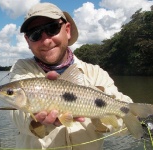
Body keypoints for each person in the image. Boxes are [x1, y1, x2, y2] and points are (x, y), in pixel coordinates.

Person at [8, 2, 133, 150]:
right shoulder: (21, 69)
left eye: (52, 28)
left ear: (67, 30)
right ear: (28, 41)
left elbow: (125, 123)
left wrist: (99, 117)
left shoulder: (95, 73)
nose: (46, 41)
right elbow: (17, 115)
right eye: (35, 34)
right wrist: (38, 122)